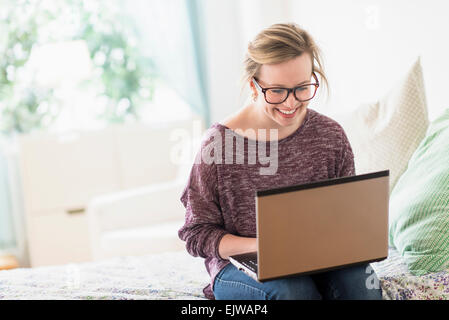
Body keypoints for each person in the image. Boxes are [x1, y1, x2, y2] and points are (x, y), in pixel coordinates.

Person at [178, 22, 382, 300]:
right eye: (277, 91)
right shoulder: (219, 146)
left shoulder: (331, 136)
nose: (290, 104)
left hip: (317, 258)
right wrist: (265, 247)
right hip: (239, 265)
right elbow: (196, 234)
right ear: (253, 85)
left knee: (361, 281)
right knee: (292, 291)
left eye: (302, 88)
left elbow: (344, 218)